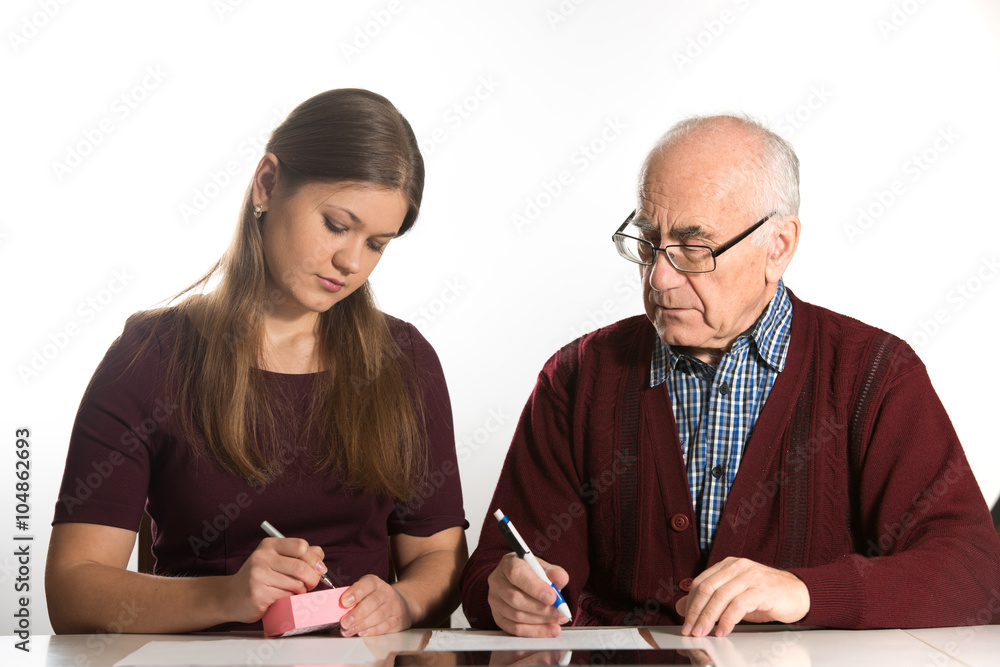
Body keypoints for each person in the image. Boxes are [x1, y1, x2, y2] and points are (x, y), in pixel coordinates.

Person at [460, 115, 1000, 638]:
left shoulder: (873, 375)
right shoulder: (577, 377)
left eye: (694, 249)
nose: (660, 278)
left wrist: (803, 592)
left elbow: (974, 575)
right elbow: (495, 569)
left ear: (778, 247)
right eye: (649, 243)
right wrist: (505, 594)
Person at [46, 89, 468, 635]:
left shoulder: (404, 360)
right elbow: (74, 588)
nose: (351, 261)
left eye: (378, 244)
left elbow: (438, 559)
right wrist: (227, 596)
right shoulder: (151, 355)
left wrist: (405, 604)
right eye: (337, 225)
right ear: (267, 183)